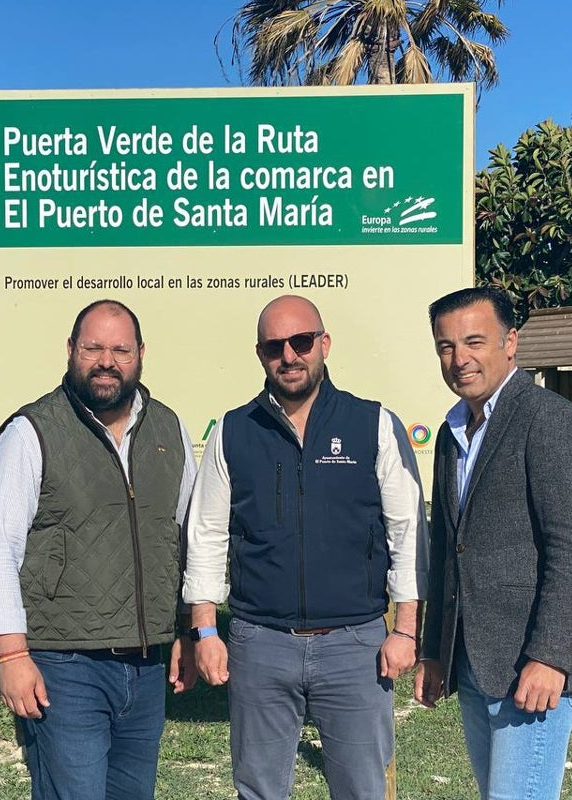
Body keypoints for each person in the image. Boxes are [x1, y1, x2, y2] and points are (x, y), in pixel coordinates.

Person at [183, 294, 428, 800]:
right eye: (275, 346)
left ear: (324, 344)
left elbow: (408, 530)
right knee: (259, 790)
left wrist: (406, 629)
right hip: (260, 643)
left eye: (301, 341)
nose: (289, 356)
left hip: (355, 645)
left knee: (363, 789)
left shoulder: (373, 424)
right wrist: (205, 629)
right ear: (260, 354)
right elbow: (205, 533)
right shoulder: (233, 431)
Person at [0, 299, 198, 800]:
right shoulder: (31, 433)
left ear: (140, 354)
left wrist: (187, 630)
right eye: (93, 347)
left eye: (120, 349)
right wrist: (11, 654)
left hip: (146, 665)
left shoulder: (170, 430)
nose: (106, 361)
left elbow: (183, 542)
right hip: (63, 666)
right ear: (71, 350)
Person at [415, 287, 572, 799]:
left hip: (533, 666)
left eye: (474, 341)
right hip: (475, 660)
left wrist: (549, 657)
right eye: (446, 346)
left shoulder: (549, 421)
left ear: (511, 343)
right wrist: (435, 651)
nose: (459, 359)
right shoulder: (452, 432)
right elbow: (446, 548)